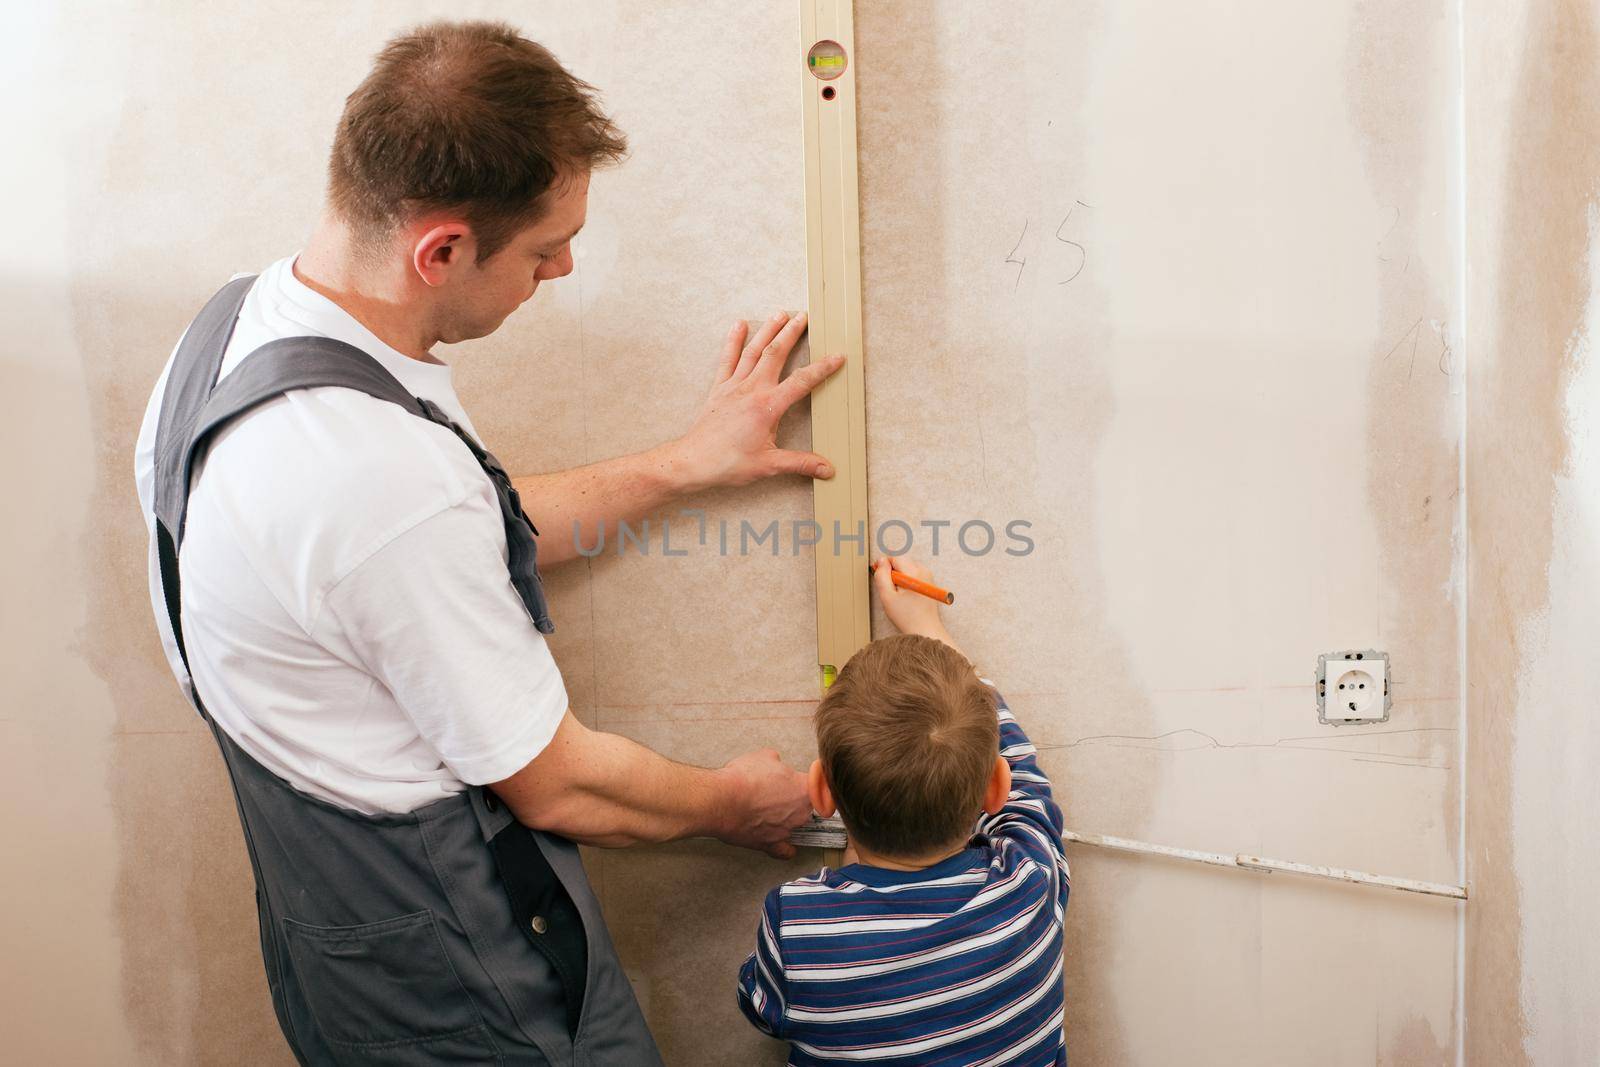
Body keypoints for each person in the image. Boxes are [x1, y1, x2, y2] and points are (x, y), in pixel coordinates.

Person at [133, 20, 843, 1064]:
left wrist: (686, 462)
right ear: (442, 248)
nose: (561, 268)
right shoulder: (375, 478)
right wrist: (732, 803)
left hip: (335, 932)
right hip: (458, 980)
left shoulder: (239, 329)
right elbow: (564, 783)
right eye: (545, 247)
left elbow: (435, 545)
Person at [738, 558, 1070, 1065]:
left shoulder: (797, 925)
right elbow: (1022, 777)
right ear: (994, 787)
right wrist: (928, 629)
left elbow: (761, 1009)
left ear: (822, 794)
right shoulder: (1030, 882)